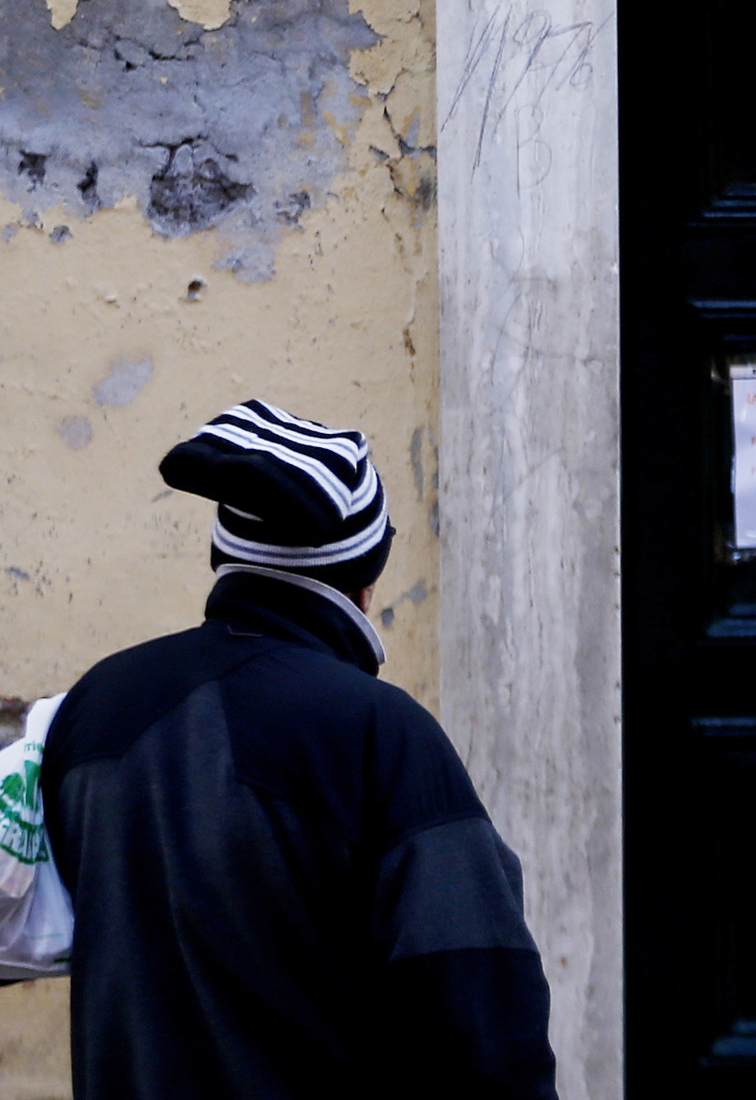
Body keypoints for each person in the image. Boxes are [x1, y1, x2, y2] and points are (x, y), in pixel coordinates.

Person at [42, 400, 558, 1099]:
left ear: (227, 556)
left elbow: (30, 930)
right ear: (360, 581)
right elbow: (478, 1005)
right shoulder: (377, 729)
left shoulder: (95, 704)